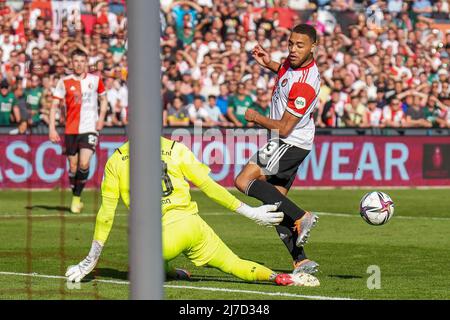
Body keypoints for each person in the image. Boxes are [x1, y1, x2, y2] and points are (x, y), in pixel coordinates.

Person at [65, 138, 320, 288]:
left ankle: (167, 270)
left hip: (162, 237)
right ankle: (282, 277)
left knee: (139, 253)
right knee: (234, 264)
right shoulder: (175, 148)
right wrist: (250, 212)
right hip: (193, 225)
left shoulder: (116, 160)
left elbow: (106, 215)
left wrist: (91, 259)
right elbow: (209, 187)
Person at [234, 24, 321, 275]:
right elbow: (285, 72)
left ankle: (301, 216)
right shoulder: (293, 65)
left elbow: (283, 128)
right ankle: (301, 261)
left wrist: (256, 117)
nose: (293, 49)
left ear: (313, 46)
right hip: (294, 142)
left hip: (288, 141)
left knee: (243, 181)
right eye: (291, 43)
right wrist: (269, 63)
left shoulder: (305, 84)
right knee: (274, 205)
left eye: (300, 45)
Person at [49, 49, 108, 213]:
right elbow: (54, 105)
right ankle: (76, 194)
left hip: (89, 128)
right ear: (71, 62)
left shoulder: (95, 80)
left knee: (84, 163)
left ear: (86, 62)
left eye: (82, 61)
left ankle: (76, 199)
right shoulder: (64, 81)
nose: (79, 64)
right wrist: (52, 128)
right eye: (76, 61)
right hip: (70, 129)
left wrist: (101, 117)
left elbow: (104, 98)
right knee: (73, 167)